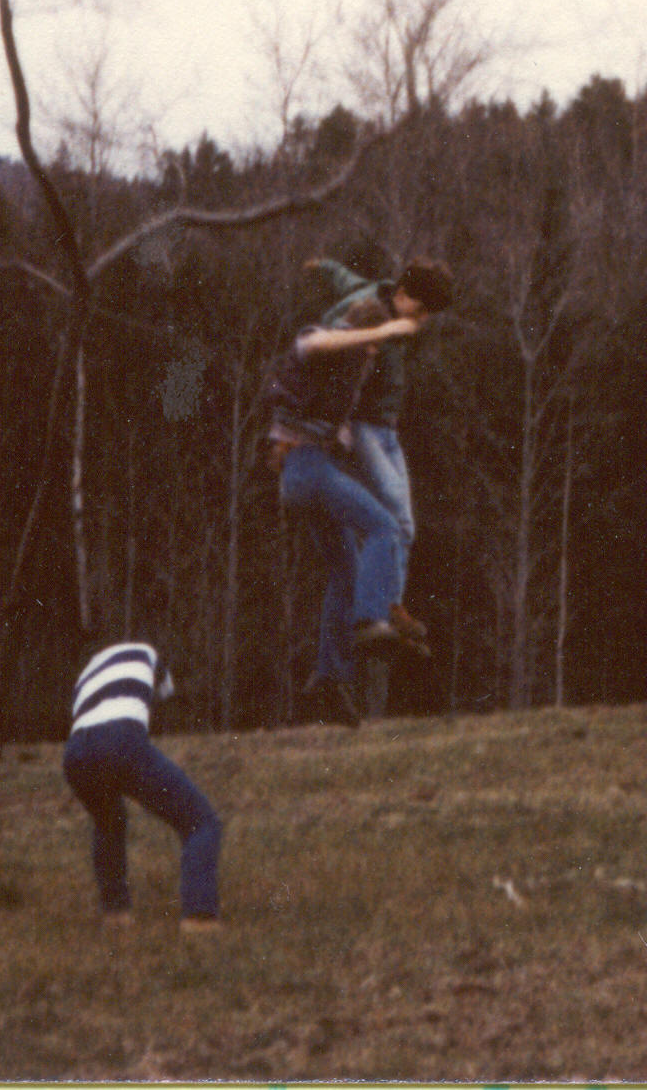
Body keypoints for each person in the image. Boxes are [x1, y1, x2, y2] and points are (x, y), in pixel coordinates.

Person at [263, 296, 432, 723]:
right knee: (385, 528)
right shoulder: (320, 341)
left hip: (307, 472)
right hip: (306, 468)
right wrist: (383, 331)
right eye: (371, 349)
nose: (371, 358)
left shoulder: (340, 381)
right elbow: (317, 343)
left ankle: (329, 678)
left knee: (346, 571)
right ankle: (368, 620)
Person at [308, 256, 456, 649]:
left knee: (405, 523)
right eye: (420, 311)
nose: (422, 321)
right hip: (363, 426)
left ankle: (391, 606)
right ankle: (373, 610)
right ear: (403, 294)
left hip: (387, 429)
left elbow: (346, 278)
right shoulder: (368, 311)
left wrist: (323, 266)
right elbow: (327, 334)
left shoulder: (383, 294)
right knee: (391, 513)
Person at [61, 638, 223, 931]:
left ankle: (115, 914)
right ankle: (199, 917)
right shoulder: (150, 654)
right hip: (121, 741)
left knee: (108, 822)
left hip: (75, 753)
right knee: (200, 822)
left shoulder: (87, 673)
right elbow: (165, 693)